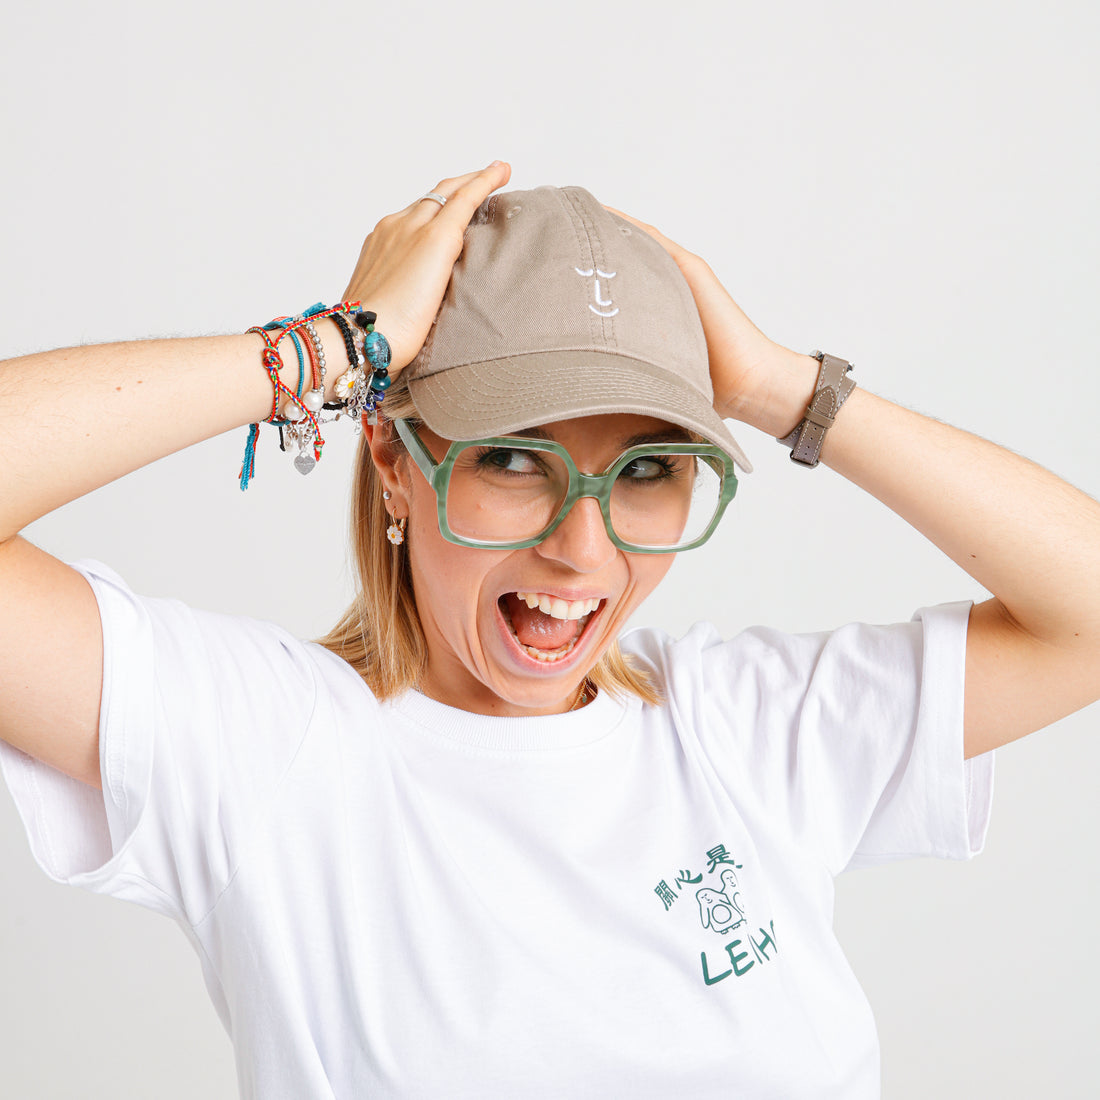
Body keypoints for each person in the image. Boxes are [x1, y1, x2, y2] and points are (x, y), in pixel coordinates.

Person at [1, 160, 1097, 1098]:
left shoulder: (745, 728)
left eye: (649, 468)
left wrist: (780, 389)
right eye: (514, 458)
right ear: (394, 460)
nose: (583, 549)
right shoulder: (260, 743)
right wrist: (332, 347)